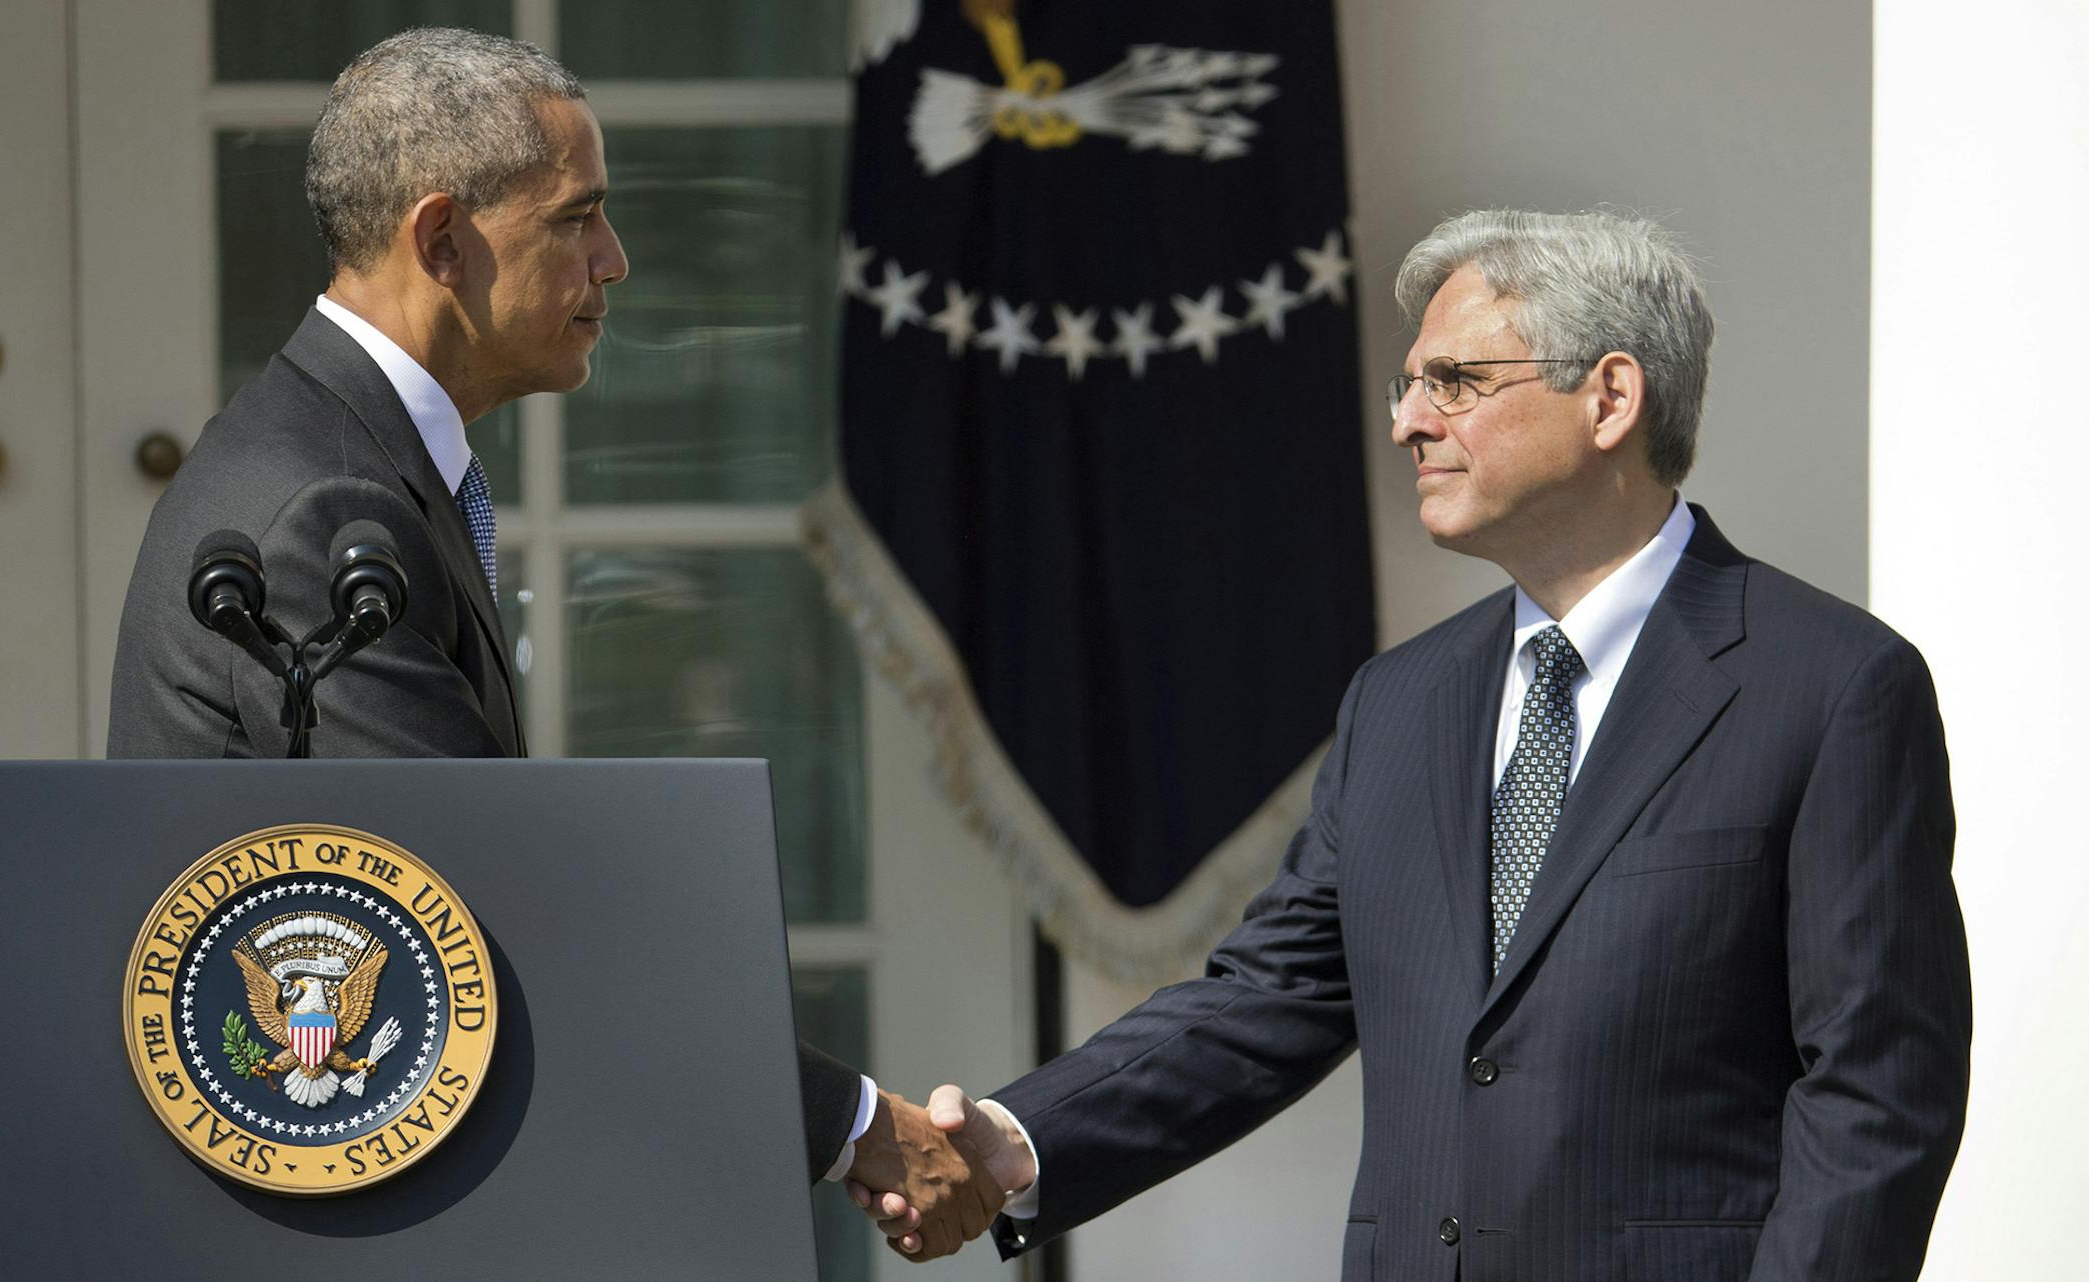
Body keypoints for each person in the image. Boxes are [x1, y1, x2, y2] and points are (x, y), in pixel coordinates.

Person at [878, 208, 1972, 1277]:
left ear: (1610, 396)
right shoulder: (1398, 703)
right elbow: (1269, 1001)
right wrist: (1015, 1140)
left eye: (1454, 382)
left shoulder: (1832, 688)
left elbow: (1879, 1093)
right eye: (1409, 386)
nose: (1408, 420)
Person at [104, 27, 997, 1241]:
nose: (614, 261)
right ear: (439, 240)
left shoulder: (346, 452)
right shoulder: (321, 507)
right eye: (577, 218)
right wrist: (856, 1125)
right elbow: (495, 910)